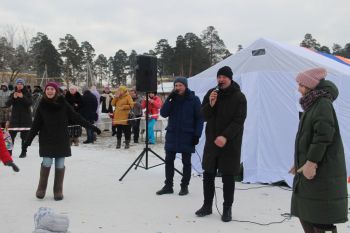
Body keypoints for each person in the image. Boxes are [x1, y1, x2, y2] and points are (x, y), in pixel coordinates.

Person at [289, 68, 348, 233]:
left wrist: (311, 162)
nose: (298, 88)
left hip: (322, 171)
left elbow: (323, 136)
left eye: (301, 85)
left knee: (321, 217)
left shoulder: (322, 104)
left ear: (310, 86)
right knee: (307, 212)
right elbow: (309, 138)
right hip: (312, 169)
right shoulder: (313, 104)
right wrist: (300, 162)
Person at [22, 82, 101, 201]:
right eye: (47, 89)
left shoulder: (63, 103)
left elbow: (76, 117)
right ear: (45, 91)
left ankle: (58, 190)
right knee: (47, 162)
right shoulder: (42, 105)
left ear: (56, 91)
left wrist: (92, 127)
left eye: (52, 89)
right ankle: (41, 188)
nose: (49, 91)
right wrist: (27, 142)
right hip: (47, 139)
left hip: (61, 139)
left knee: (59, 164)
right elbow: (35, 125)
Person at [195, 66, 247, 222]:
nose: (221, 79)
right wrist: (211, 104)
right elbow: (202, 115)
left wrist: (225, 136)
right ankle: (207, 206)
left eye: (224, 77)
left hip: (229, 143)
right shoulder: (212, 93)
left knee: (228, 176)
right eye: (219, 77)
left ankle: (227, 209)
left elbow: (239, 120)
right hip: (212, 142)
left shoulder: (239, 97)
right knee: (208, 174)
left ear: (230, 79)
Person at [156, 77, 203, 196]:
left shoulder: (194, 100)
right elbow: (163, 113)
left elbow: (200, 118)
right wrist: (169, 99)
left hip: (187, 135)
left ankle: (184, 186)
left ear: (185, 86)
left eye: (180, 85)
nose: (178, 88)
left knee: (186, 162)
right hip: (172, 134)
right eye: (176, 85)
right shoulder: (172, 100)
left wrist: (197, 134)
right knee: (168, 161)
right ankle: (168, 186)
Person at [5, 78, 33, 158]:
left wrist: (22, 97)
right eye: (18, 84)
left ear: (23, 85)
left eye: (21, 84)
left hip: (25, 119)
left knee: (24, 137)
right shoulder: (13, 93)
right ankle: (9, 152)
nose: (19, 85)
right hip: (15, 119)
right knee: (10, 137)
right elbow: (7, 104)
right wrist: (13, 97)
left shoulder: (28, 93)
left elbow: (29, 103)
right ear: (16, 85)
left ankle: (23, 152)